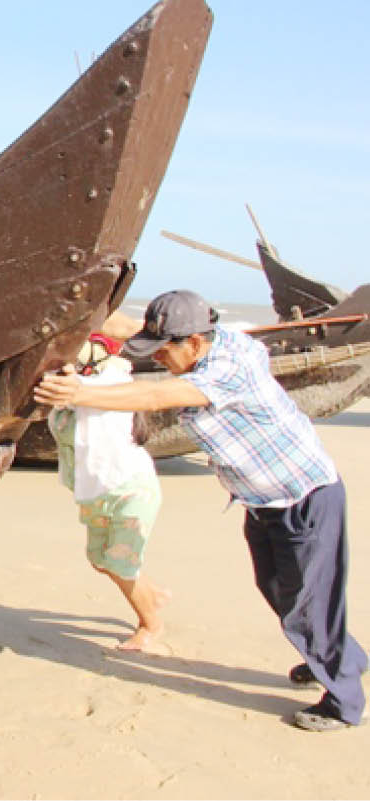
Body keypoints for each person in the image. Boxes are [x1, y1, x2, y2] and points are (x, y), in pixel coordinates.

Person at [34, 290, 366, 732]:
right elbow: (124, 327)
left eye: (163, 351)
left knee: (307, 605)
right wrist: (58, 314)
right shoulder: (218, 339)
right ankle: (339, 658)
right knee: (278, 589)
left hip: (303, 497)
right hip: (263, 500)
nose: (157, 358)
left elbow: (158, 396)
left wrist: (80, 392)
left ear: (193, 342)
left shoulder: (225, 371)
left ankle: (343, 702)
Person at [47, 332, 167, 652]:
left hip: (130, 487)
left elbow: (93, 385)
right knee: (99, 560)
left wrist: (76, 375)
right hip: (94, 492)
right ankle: (151, 593)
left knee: (118, 563)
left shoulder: (113, 382)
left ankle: (151, 625)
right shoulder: (71, 389)